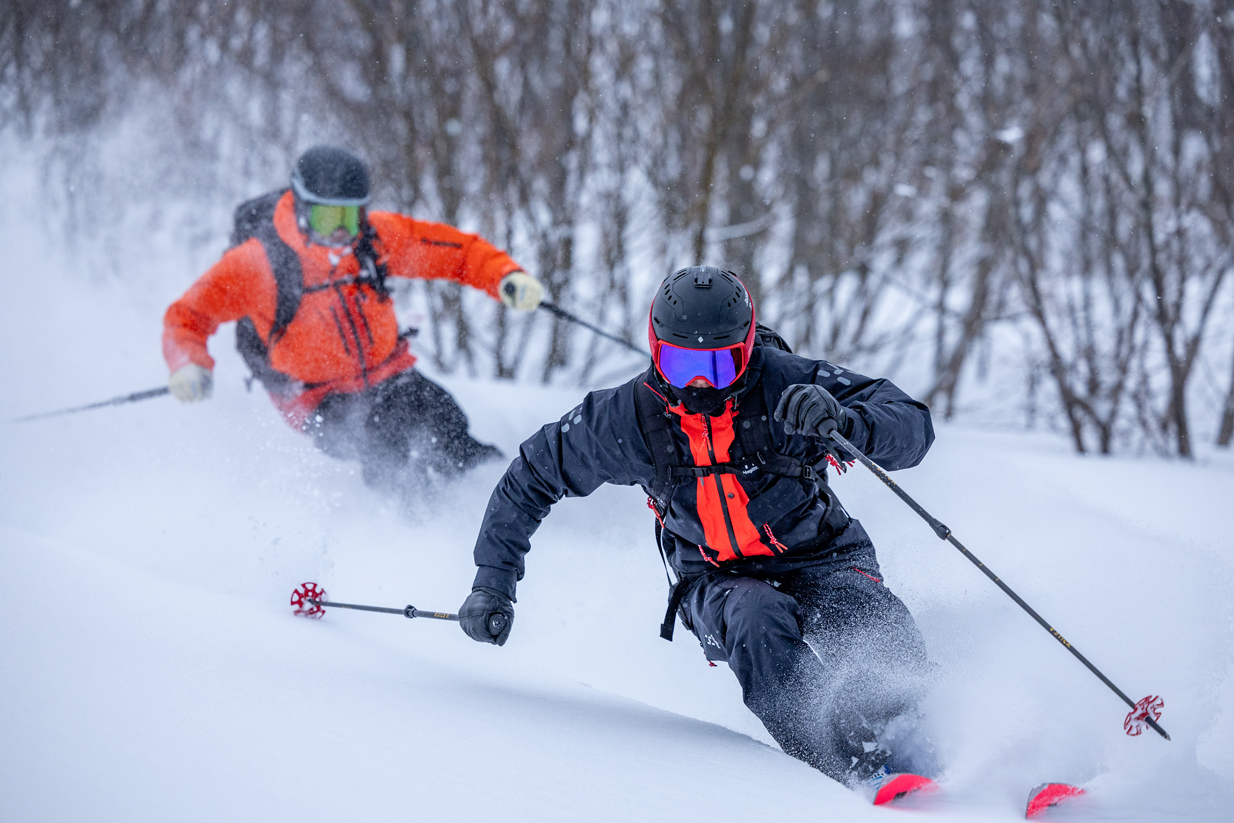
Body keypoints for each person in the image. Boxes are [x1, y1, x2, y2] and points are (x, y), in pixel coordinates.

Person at [456, 266, 936, 788]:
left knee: (869, 624)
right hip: (714, 580)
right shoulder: (628, 418)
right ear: (656, 349)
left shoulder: (790, 385)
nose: (700, 382)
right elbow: (533, 473)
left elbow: (911, 423)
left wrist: (844, 420)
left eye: (720, 363)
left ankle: (926, 748)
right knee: (758, 619)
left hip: (822, 557)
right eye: (681, 364)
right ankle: (845, 774)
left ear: (748, 346)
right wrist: (492, 583)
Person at [163, 146, 544, 491]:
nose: (343, 232)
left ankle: (499, 494)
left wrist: (505, 277)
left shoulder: (372, 241)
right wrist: (187, 363)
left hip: (388, 372)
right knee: (386, 440)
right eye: (329, 219)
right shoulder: (259, 264)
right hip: (315, 397)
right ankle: (409, 533)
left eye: (351, 216)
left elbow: (456, 253)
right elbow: (188, 315)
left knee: (441, 415)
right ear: (300, 208)